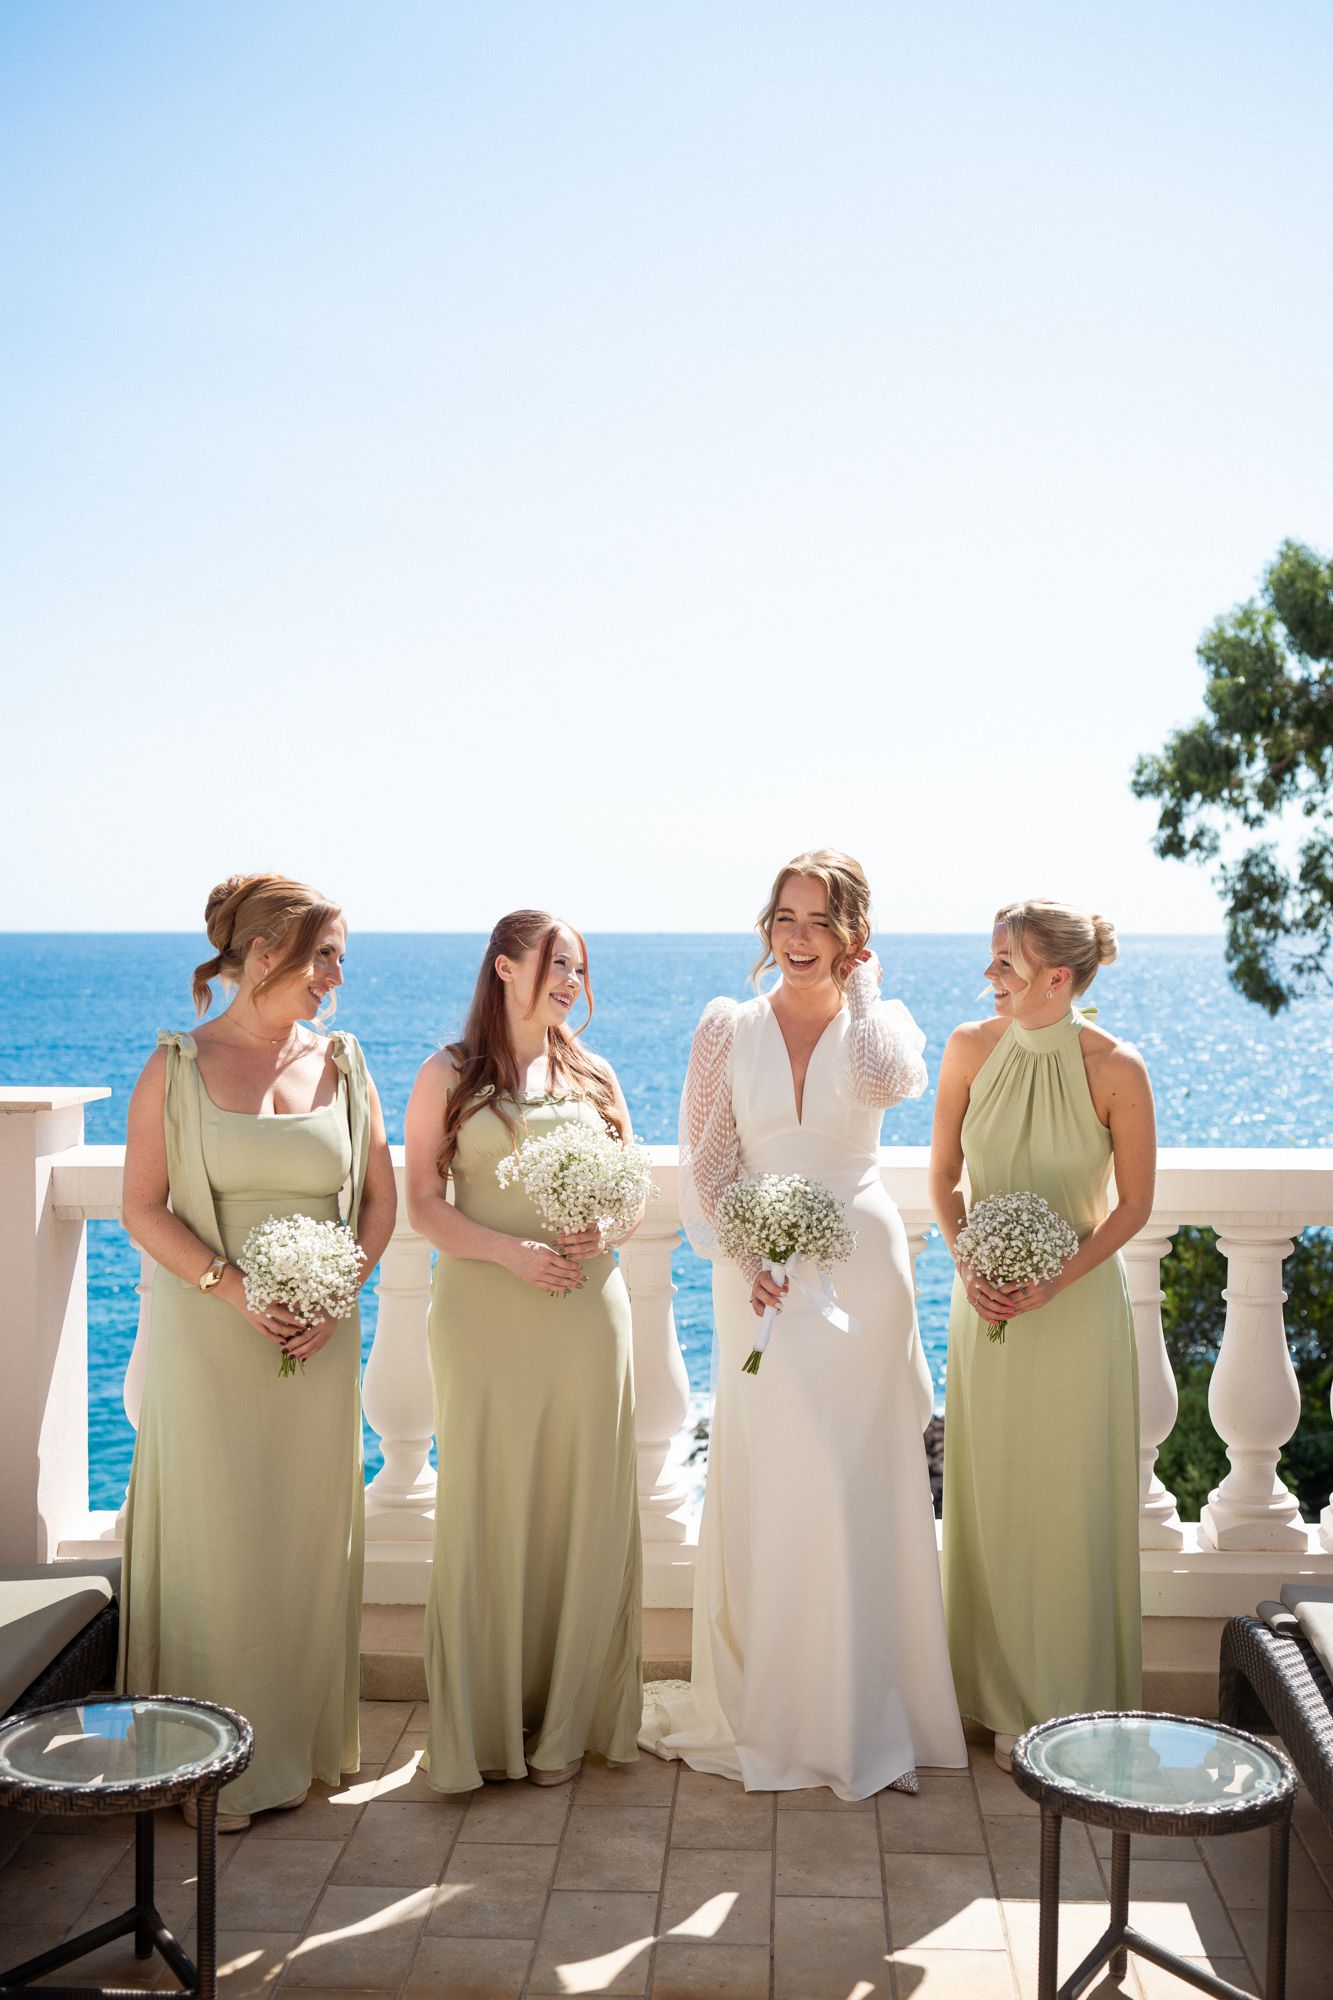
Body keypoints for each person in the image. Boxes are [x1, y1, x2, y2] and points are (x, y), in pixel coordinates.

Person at [640, 850, 967, 1799]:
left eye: (819, 921)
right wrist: (750, 1257)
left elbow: (880, 1082)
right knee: (780, 1471)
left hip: (860, 1276)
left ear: (853, 936)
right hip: (759, 1279)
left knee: (853, 1475)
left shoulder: (886, 1026)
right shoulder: (723, 1027)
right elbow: (705, 1159)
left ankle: (864, 1701)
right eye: (784, 917)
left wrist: (862, 987)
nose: (796, 937)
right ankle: (773, 1703)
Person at [118, 873, 396, 1828]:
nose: (335, 979)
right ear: (266, 953)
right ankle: (206, 1770)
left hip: (319, 1342)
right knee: (220, 1546)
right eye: (325, 957)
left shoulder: (346, 1063)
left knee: (304, 1541)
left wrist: (336, 1291)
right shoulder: (177, 1067)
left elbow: (378, 1201)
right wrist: (233, 1290)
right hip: (210, 1341)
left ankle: (302, 1747)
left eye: (341, 961)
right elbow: (140, 1208)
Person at [405, 910, 644, 1792]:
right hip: (482, 1310)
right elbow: (422, 1201)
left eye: (580, 967)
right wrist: (509, 1254)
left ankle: (565, 1730)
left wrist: (602, 1227)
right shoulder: (448, 1073)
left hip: (587, 1315)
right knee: (488, 1505)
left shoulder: (594, 1074)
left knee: (584, 1507)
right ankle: (484, 1732)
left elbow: (632, 1194)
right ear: (504, 968)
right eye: (556, 963)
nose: (570, 981)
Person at [930, 899, 1153, 1770]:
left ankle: (1070, 1704)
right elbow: (944, 1176)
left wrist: (1054, 1277)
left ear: (1056, 979)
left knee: (1067, 1502)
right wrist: (967, 1264)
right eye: (991, 960)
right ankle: (985, 1698)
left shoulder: (1115, 1069)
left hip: (1076, 1314)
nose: (990, 978)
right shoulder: (967, 1049)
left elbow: (1133, 1206)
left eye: (1005, 966)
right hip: (983, 1307)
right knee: (990, 1497)